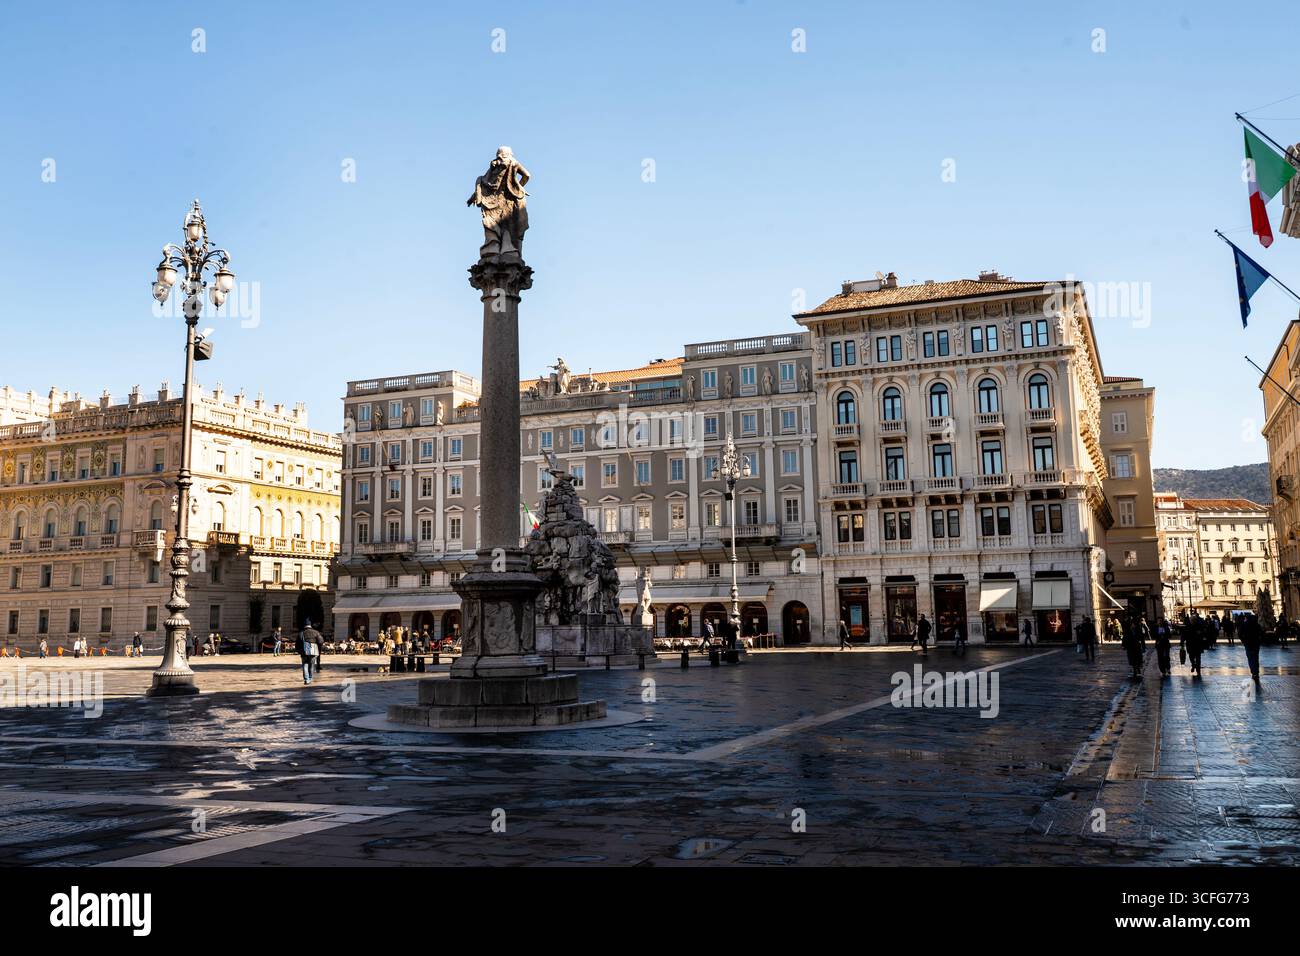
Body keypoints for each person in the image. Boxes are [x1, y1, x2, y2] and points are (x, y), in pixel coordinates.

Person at [1240, 613, 1263, 685]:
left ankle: (1254, 672)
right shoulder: (1256, 624)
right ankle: (1256, 672)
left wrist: (1243, 641)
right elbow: (1261, 633)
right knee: (1256, 658)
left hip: (1248, 643)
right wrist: (1259, 640)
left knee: (1250, 658)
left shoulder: (1244, 625)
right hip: (1256, 643)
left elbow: (1240, 633)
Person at [296, 620, 320, 685]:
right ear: (310, 625)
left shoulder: (301, 633)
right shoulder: (315, 632)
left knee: (305, 665)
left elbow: (297, 643)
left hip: (304, 651)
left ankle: (306, 679)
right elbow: (321, 641)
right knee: (312, 665)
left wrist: (299, 651)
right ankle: (310, 678)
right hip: (313, 651)